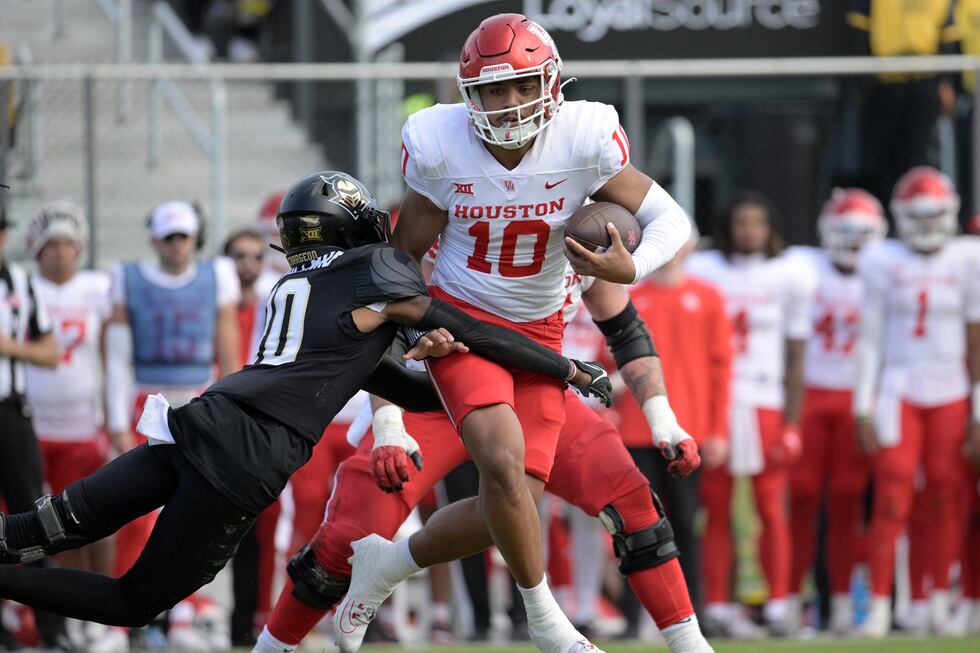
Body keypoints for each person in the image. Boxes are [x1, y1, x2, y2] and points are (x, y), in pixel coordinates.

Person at [0, 171, 609, 628]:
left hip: (200, 423)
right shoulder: (375, 268)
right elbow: (475, 329)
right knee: (135, 601)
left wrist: (437, 359)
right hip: (248, 457)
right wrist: (567, 368)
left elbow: (404, 390)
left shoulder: (297, 284)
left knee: (36, 530)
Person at [340, 13, 691, 653]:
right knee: (500, 460)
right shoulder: (439, 142)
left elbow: (671, 218)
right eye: (494, 91)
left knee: (513, 501)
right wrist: (394, 384)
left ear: (551, 83)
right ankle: (545, 621)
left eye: (523, 86)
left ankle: (387, 564)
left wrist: (630, 266)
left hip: (543, 334)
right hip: (462, 324)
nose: (509, 104)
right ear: (469, 94)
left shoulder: (583, 139)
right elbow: (400, 262)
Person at [252, 268, 713, 653]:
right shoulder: (458, 207)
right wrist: (389, 423)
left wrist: (663, 419)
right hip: (432, 389)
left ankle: (691, 646)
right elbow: (387, 327)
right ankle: (270, 648)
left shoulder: (579, 222)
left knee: (630, 501)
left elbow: (625, 328)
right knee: (347, 536)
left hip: (535, 388)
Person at [854, 166, 980, 637]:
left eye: (934, 217)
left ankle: (937, 602)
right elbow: (869, 340)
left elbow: (975, 340)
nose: (927, 227)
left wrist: (977, 411)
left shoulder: (968, 258)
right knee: (891, 498)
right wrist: (862, 406)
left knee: (947, 496)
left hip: (950, 389)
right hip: (898, 388)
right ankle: (882, 605)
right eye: (918, 217)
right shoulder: (882, 259)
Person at [686, 192, 817, 637]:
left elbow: (796, 355)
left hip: (765, 400)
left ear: (771, 228)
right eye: (741, 222)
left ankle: (777, 602)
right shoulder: (705, 269)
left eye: (757, 223)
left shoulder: (791, 272)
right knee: (716, 505)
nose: (749, 231)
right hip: (717, 402)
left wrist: (793, 422)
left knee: (769, 505)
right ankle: (718, 604)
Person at [614, 232, 733, 625]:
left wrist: (716, 429)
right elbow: (611, 364)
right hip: (635, 428)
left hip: (688, 429)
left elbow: (721, 369)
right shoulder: (630, 296)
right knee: (636, 521)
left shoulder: (709, 296)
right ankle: (635, 617)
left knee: (684, 522)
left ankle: (691, 611)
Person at [785, 189, 887, 635]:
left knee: (848, 501)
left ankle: (845, 603)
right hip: (810, 394)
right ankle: (789, 600)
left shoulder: (888, 272)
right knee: (801, 497)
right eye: (845, 232)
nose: (853, 243)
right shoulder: (801, 267)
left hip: (856, 399)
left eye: (862, 234)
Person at [23, 200, 115, 608]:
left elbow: (113, 353)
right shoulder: (22, 288)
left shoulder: (98, 288)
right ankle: (33, 615)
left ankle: (95, 608)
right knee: (33, 527)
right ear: (36, 249)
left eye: (67, 243)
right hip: (30, 426)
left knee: (87, 522)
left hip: (83, 426)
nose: (60, 251)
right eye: (51, 244)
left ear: (79, 247)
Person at [0, 200, 70, 652]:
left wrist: (8, 347)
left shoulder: (19, 283)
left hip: (9, 413)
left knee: (32, 525)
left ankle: (53, 632)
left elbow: (50, 352)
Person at [846, 0, 959, 208]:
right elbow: (859, 34)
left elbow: (947, 39)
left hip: (924, 80)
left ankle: (919, 209)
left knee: (920, 153)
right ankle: (887, 213)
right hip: (886, 82)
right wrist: (863, 84)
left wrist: (946, 82)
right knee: (883, 155)